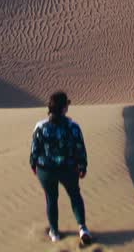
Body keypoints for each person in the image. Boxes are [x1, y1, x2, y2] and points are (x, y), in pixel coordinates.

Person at [30, 91, 92, 244]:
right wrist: (83, 166)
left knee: (51, 199)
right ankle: (83, 228)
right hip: (68, 170)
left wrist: (33, 165)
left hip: (46, 170)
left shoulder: (40, 126)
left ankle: (55, 233)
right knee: (75, 195)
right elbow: (80, 148)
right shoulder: (73, 127)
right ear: (64, 108)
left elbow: (34, 149)